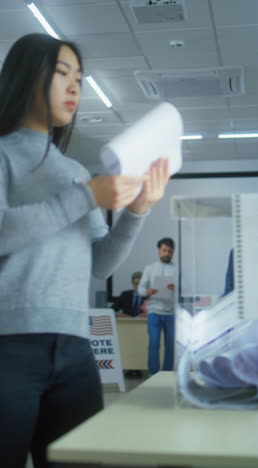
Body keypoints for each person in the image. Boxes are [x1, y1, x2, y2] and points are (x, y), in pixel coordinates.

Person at [0, 33, 170, 468]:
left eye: (79, 77)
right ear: (25, 77)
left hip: (76, 351)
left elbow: (100, 263)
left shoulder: (77, 172)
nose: (75, 87)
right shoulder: (4, 157)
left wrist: (136, 212)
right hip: (9, 347)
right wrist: (85, 197)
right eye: (62, 74)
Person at [138, 237, 176, 375]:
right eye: (164, 250)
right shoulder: (150, 268)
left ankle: (167, 373)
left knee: (170, 345)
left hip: (171, 313)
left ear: (173, 252)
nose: (167, 254)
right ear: (159, 251)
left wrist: (176, 288)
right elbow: (140, 289)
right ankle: (153, 373)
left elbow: (185, 288)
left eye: (170, 251)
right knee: (154, 343)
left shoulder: (177, 269)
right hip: (154, 311)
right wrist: (147, 291)